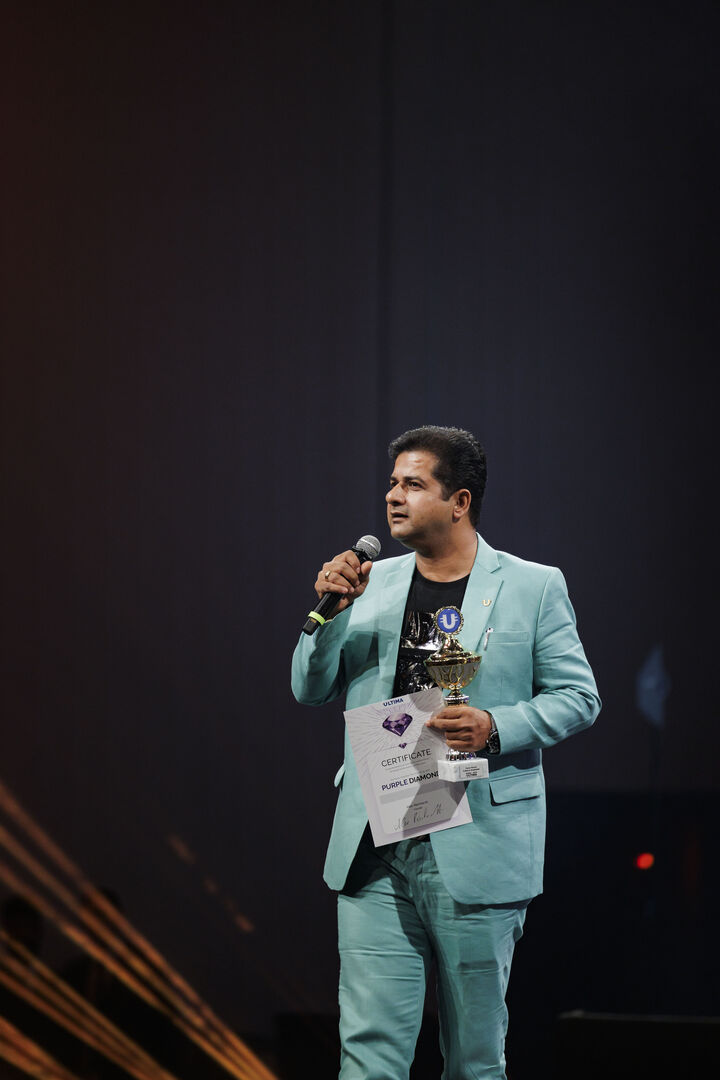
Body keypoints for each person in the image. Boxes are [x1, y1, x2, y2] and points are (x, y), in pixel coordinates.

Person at [291, 425, 600, 1080]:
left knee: (474, 1060)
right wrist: (331, 615)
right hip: (376, 840)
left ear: (459, 501)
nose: (393, 496)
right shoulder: (368, 583)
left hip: (475, 836)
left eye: (413, 484)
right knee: (367, 1055)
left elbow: (579, 697)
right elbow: (308, 687)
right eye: (391, 483)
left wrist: (495, 725)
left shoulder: (532, 586)